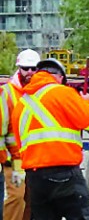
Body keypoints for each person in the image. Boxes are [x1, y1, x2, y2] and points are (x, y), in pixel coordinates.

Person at [10, 58, 89, 220]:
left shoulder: (22, 104)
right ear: (59, 77)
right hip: (65, 173)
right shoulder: (63, 93)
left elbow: (20, 142)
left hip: (35, 178)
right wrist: (87, 103)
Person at [0, 49, 40, 220]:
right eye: (26, 68)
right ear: (19, 68)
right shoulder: (7, 93)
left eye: (33, 68)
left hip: (37, 159)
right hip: (15, 160)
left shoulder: (40, 92)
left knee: (32, 202)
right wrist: (6, 159)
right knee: (16, 199)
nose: (29, 72)